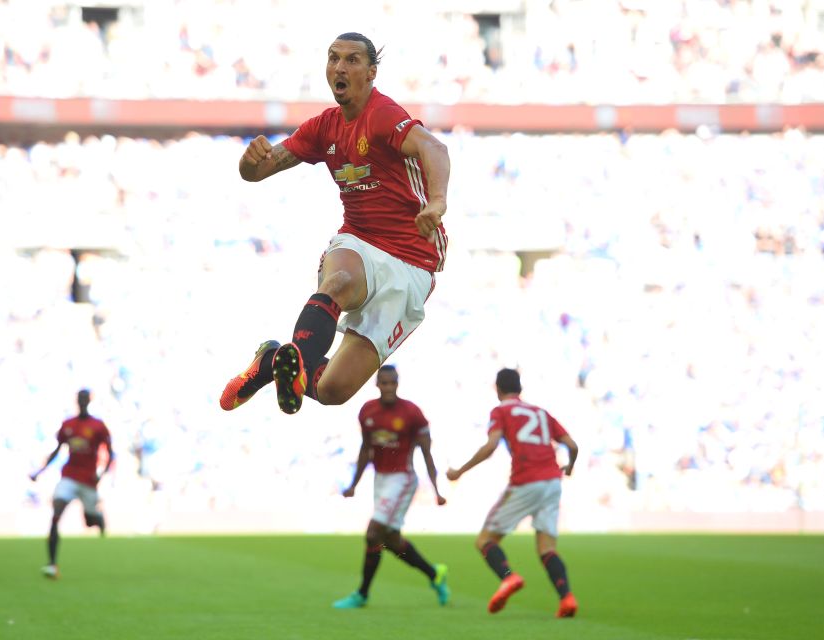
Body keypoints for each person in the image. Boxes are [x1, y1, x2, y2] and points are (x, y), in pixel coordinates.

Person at [219, 32, 450, 415]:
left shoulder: (383, 115)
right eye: (333, 58)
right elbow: (257, 171)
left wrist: (437, 203)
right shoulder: (323, 127)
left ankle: (272, 362)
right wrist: (249, 160)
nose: (339, 67)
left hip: (414, 260)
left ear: (372, 72)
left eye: (352, 60)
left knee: (332, 390)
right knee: (339, 281)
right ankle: (296, 364)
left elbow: (434, 147)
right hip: (359, 240)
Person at [446, 369, 580, 618]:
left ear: (497, 389)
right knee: (547, 548)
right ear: (520, 389)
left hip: (525, 480)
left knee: (485, 540)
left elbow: (491, 445)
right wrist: (569, 467)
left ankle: (509, 578)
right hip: (552, 481)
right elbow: (572, 446)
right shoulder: (541, 412)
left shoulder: (501, 411)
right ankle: (567, 598)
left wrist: (460, 471)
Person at [332, 365, 449, 609]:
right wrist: (354, 484)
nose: (388, 387)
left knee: (374, 533)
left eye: (392, 383)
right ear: (377, 385)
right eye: (383, 383)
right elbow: (366, 449)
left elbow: (427, 453)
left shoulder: (412, 413)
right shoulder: (367, 412)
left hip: (402, 479)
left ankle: (362, 594)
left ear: (397, 384)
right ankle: (434, 573)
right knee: (391, 540)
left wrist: (437, 489)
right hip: (381, 479)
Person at [30, 389, 113, 579]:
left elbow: (110, 452)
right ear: (77, 401)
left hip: (88, 480)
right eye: (80, 399)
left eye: (85, 399)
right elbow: (57, 451)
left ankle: (98, 518)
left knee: (90, 521)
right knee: (56, 513)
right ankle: (52, 564)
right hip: (69, 476)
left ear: (89, 401)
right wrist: (40, 472)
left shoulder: (98, 426)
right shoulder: (68, 425)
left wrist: (102, 475)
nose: (82, 402)